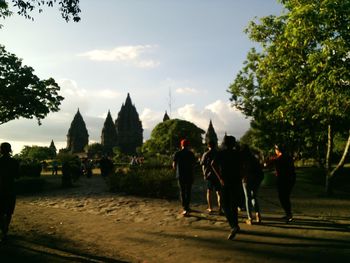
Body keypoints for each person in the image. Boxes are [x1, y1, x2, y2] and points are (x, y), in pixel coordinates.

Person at [212, 136, 241, 240]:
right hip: (236, 181)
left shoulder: (221, 154)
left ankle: (233, 226)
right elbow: (244, 166)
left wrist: (220, 178)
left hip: (225, 181)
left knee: (225, 205)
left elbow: (213, 164)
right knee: (233, 204)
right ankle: (235, 225)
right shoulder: (238, 154)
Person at [270, 144, 296, 222]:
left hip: (283, 180)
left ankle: (289, 214)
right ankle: (288, 213)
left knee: (283, 198)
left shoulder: (279, 159)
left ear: (277, 150)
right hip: (290, 179)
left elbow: (276, 168)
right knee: (285, 197)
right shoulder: (288, 157)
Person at [240, 144, 264, 225]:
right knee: (254, 197)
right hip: (256, 179)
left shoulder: (242, 158)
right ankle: (258, 215)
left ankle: (250, 218)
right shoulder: (253, 158)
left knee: (247, 198)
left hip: (246, 180)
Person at [0, 142, 19, 241]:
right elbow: (17, 176)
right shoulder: (14, 162)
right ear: (10, 150)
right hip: (11, 188)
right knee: (8, 212)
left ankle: (3, 228)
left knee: (1, 211)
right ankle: (5, 230)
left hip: (1, 188)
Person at [173, 139, 196, 217]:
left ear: (181, 145)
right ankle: (187, 206)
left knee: (182, 191)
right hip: (189, 175)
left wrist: (176, 169)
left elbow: (174, 165)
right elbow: (193, 165)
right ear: (188, 145)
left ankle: (184, 207)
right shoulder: (191, 154)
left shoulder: (177, 153)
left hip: (180, 175)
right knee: (188, 191)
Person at [200, 141, 222, 214]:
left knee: (209, 192)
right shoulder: (218, 153)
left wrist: (204, 174)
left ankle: (210, 208)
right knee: (219, 192)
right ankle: (220, 209)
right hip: (218, 175)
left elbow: (203, 165)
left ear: (208, 146)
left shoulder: (206, 154)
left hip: (209, 175)